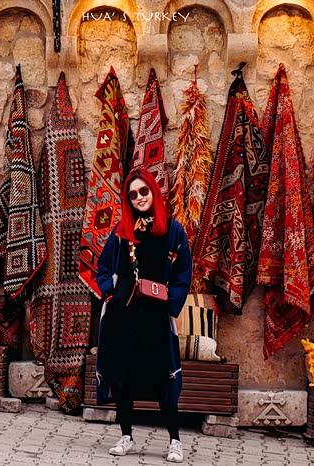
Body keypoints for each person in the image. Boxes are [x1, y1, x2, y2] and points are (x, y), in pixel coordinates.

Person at [95, 167, 192, 463]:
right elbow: (103, 267)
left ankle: (175, 441)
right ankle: (126, 435)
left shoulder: (173, 231)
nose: (139, 197)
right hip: (123, 316)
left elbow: (182, 273)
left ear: (153, 191)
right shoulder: (122, 231)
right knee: (122, 376)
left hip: (155, 315)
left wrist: (170, 302)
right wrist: (110, 294)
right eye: (133, 194)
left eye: (144, 191)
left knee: (163, 376)